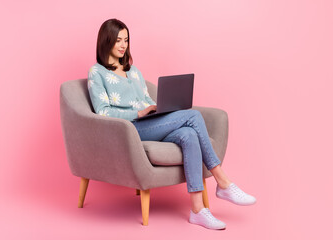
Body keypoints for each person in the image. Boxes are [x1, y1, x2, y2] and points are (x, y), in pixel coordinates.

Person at [87, 18, 256, 230]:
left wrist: (157, 108)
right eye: (118, 40)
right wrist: (140, 112)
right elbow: (102, 112)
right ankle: (223, 182)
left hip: (149, 123)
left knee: (188, 134)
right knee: (192, 116)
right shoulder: (97, 72)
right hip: (129, 130)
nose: (123, 45)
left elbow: (146, 101)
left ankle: (198, 211)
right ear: (106, 41)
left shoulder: (133, 71)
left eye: (126, 40)